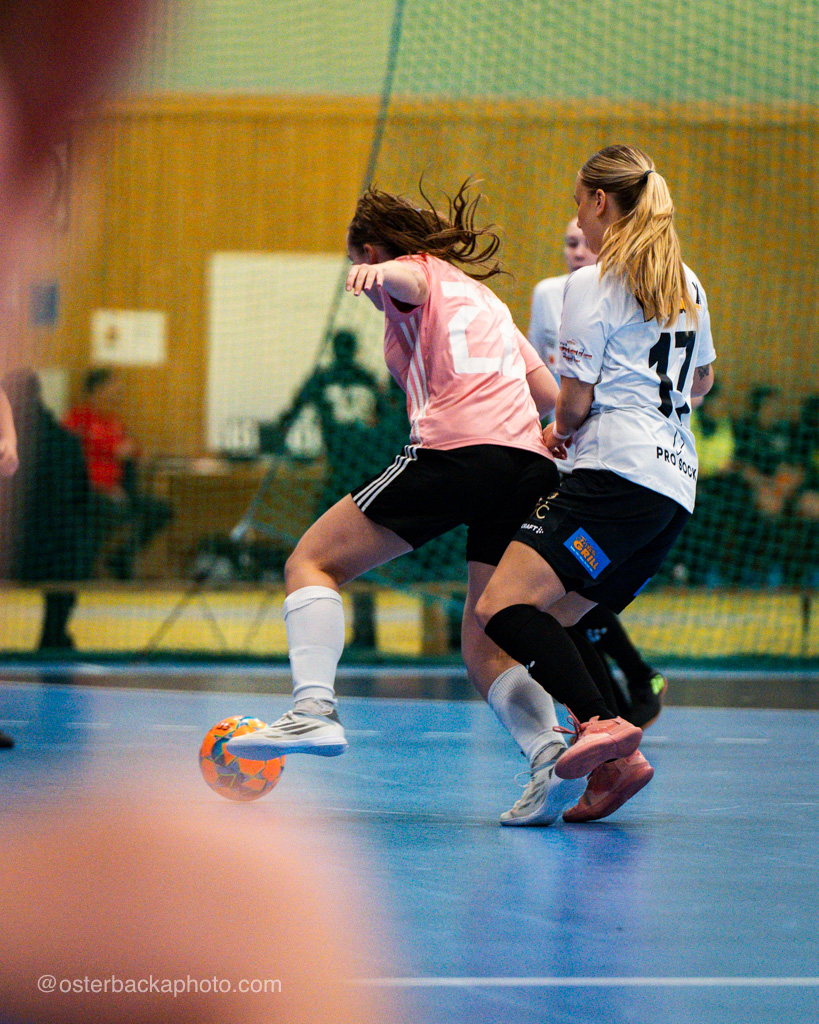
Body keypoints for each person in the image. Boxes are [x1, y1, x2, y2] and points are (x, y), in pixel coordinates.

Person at [227, 179, 596, 826]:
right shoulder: (486, 301)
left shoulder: (411, 278)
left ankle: (313, 709)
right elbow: (547, 395)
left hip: (457, 455)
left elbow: (413, 280)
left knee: (310, 562)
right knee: (483, 640)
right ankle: (548, 753)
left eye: (359, 263)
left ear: (370, 253)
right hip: (526, 468)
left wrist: (381, 273)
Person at [476, 144, 716, 823]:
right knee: (556, 620)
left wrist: (558, 432)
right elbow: (701, 380)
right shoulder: (687, 282)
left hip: (615, 475)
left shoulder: (588, 284)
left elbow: (574, 402)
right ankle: (616, 764)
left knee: (499, 605)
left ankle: (603, 723)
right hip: (673, 489)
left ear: (600, 202)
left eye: (579, 203)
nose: (577, 218)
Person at [530, 217, 668, 728]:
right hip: (563, 449)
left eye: (584, 242)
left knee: (570, 588)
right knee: (562, 590)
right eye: (569, 243)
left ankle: (624, 690)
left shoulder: (630, 293)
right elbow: (538, 368)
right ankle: (617, 699)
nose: (577, 251)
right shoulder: (550, 294)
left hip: (611, 456)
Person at [0, 368, 98, 651]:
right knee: (74, 543)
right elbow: (82, 499)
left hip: (12, 554)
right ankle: (54, 635)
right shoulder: (66, 441)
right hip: (58, 556)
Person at [64, 367, 171, 579]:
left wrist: (141, 456)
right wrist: (104, 488)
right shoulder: (76, 420)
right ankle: (83, 570)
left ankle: (121, 558)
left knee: (160, 510)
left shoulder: (114, 423)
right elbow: (67, 462)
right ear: (97, 390)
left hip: (118, 492)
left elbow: (132, 452)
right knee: (106, 509)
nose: (118, 392)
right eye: (113, 387)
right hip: (88, 493)